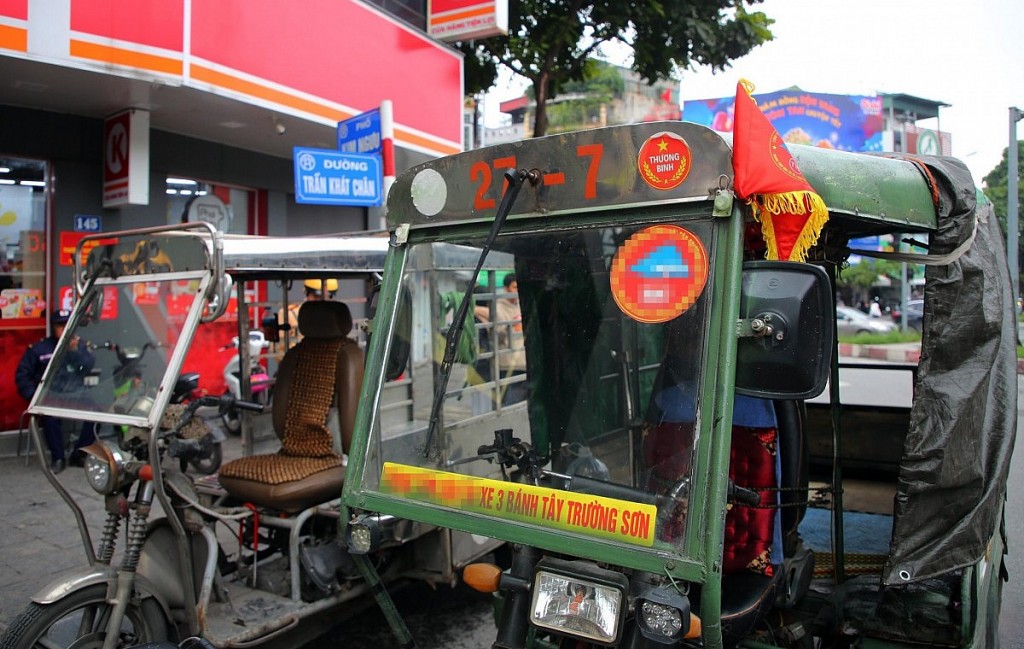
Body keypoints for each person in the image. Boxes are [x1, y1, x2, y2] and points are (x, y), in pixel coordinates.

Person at [15, 309, 98, 473]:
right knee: (50, 418)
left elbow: (87, 367)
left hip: (74, 394)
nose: (63, 329)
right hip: (51, 395)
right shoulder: (40, 348)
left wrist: (74, 352)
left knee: (96, 413)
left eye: (67, 325)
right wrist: (34, 396)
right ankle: (58, 458)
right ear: (53, 327)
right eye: (60, 325)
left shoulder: (79, 345)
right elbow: (22, 375)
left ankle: (79, 453)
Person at [494, 274, 527, 405]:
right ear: (506, 289)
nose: (517, 291)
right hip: (508, 366)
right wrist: (510, 326)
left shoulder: (521, 305)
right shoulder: (497, 308)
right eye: (514, 287)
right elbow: (496, 334)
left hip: (524, 364)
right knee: (511, 404)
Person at [279, 279, 338, 346]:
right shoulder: (289, 314)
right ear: (307, 293)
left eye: (330, 296)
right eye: (317, 296)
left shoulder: (335, 318)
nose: (323, 301)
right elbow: (279, 351)